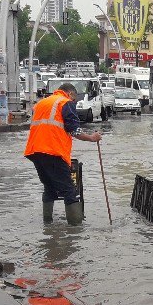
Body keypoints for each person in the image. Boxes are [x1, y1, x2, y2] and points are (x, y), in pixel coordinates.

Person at [23, 82, 102, 226]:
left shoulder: (42, 103)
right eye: (75, 99)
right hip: (53, 151)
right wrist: (92, 138)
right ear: (71, 94)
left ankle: (47, 223)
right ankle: (75, 230)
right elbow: (74, 130)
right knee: (69, 190)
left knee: (50, 187)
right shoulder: (65, 102)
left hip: (34, 151)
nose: (74, 102)